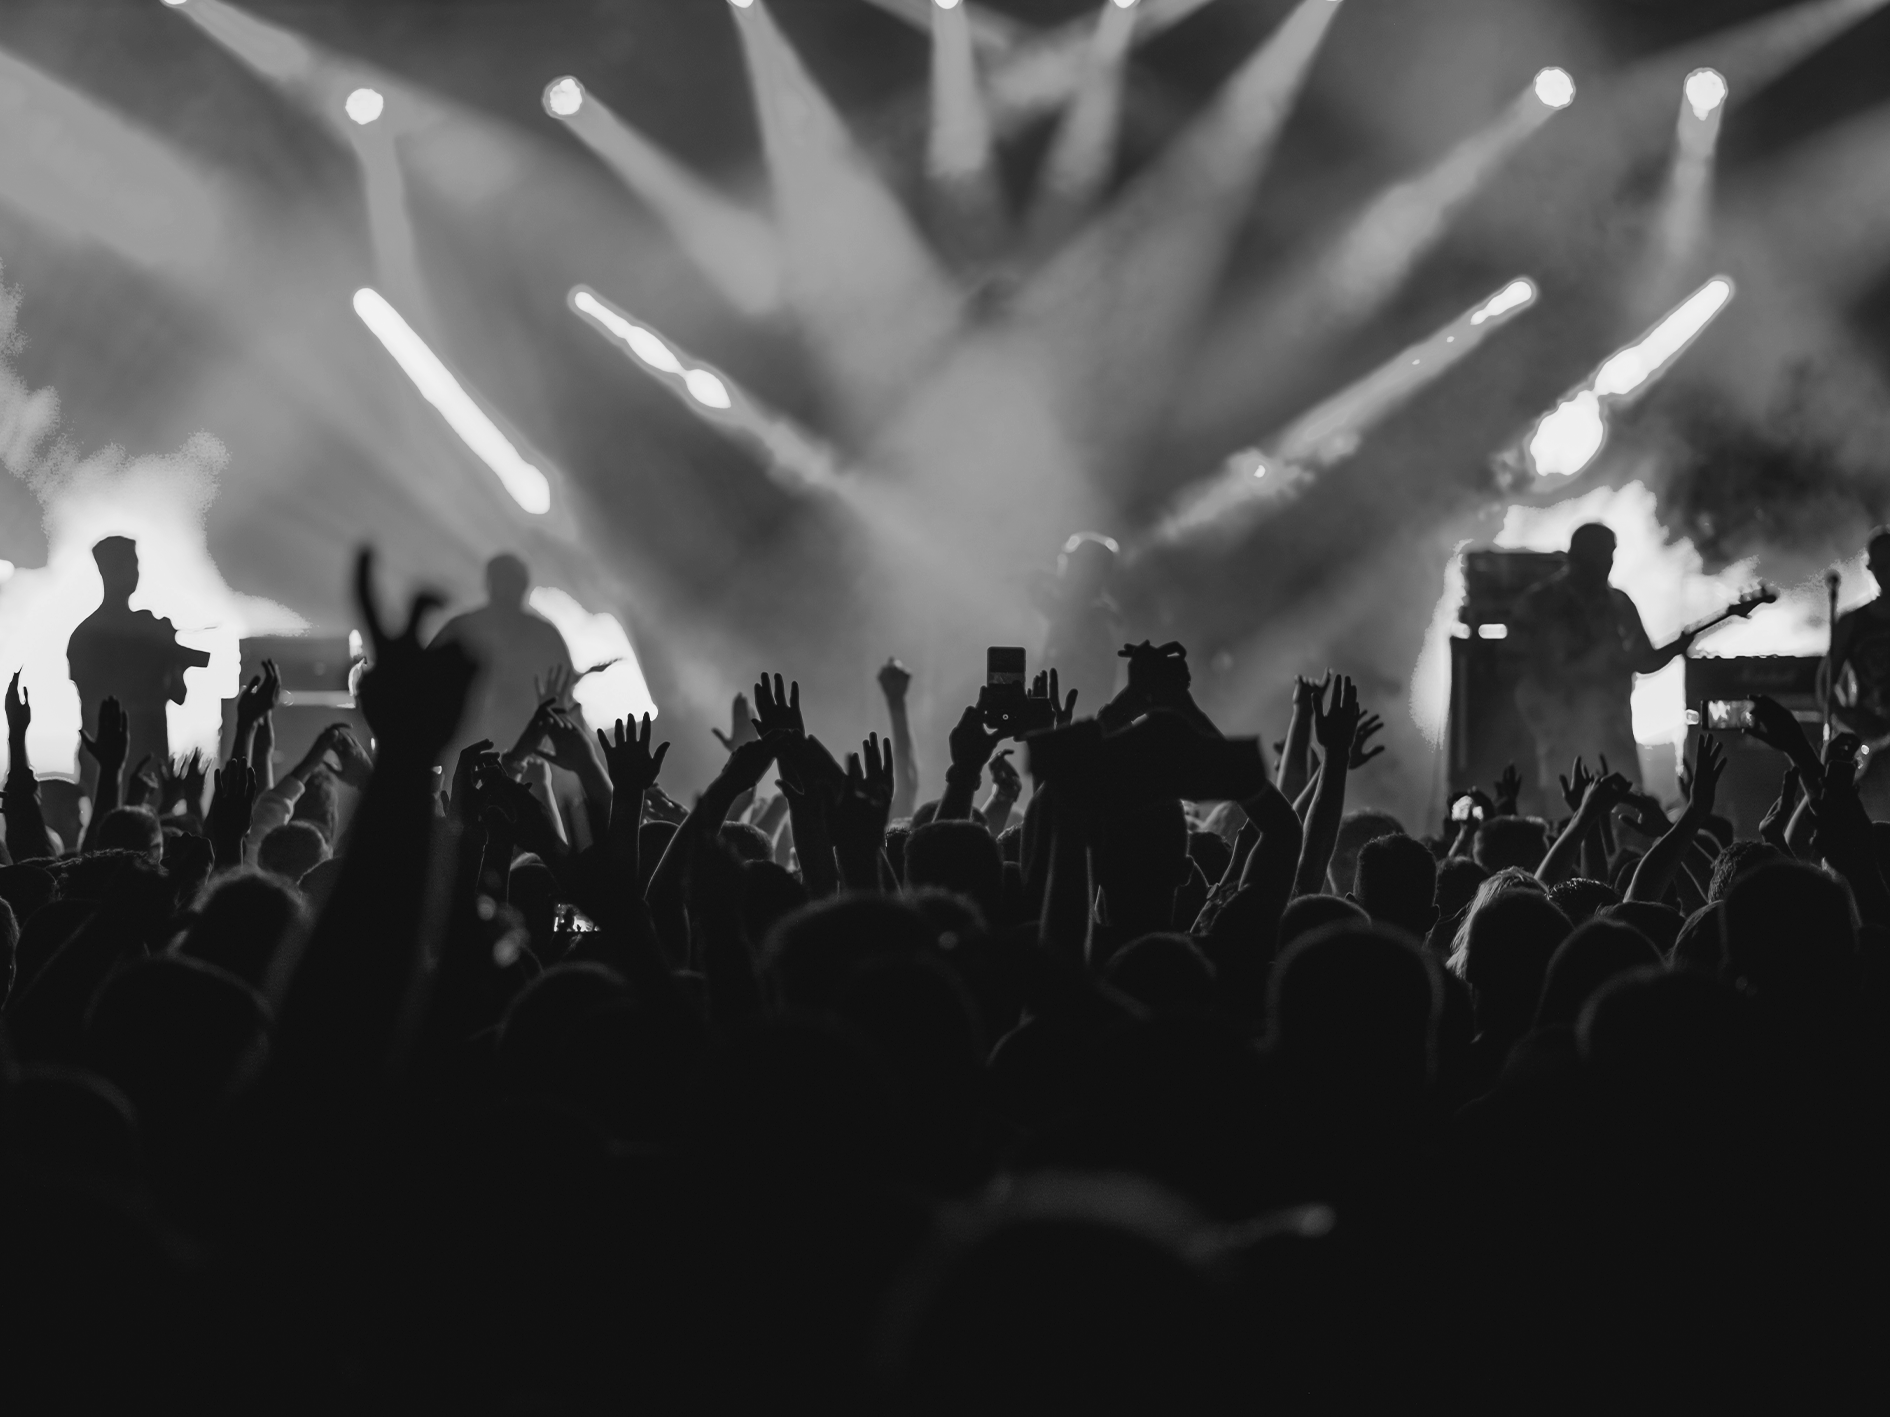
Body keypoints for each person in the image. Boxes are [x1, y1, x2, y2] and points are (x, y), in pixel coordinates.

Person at [1509, 524, 1692, 809]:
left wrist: (1681, 645)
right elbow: (1515, 670)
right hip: (1560, 737)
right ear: (1580, 556)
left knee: (1626, 814)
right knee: (1564, 813)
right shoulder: (1541, 602)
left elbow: (1645, 660)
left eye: (1611, 555)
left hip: (1614, 733)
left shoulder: (1619, 603)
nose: (1608, 562)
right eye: (1603, 554)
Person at [66, 537, 209, 796]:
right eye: (129, 565)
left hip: (149, 761)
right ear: (107, 571)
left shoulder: (145, 630)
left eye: (136, 565)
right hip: (110, 764)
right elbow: (98, 700)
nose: (135, 573)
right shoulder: (87, 637)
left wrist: (170, 654)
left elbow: (178, 694)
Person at [428, 553, 574, 762]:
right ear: (488, 583)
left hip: (525, 744)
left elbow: (566, 688)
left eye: (510, 581)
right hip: (465, 740)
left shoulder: (545, 636)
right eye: (500, 580)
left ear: (523, 585)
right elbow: (425, 676)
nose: (505, 588)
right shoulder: (462, 628)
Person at [1033, 532, 1122, 714]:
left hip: (1073, 726)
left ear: (1090, 568)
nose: (1062, 565)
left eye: (1070, 559)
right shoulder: (1086, 613)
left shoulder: (1097, 618)